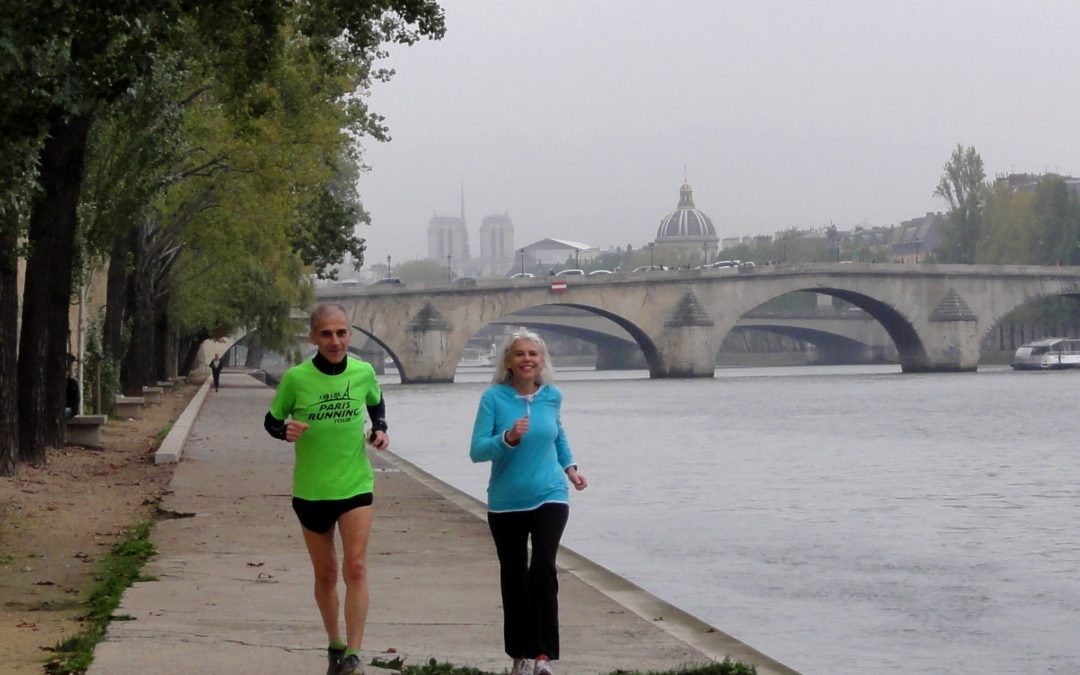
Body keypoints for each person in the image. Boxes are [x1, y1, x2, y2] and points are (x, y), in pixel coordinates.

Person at [263, 303, 389, 675]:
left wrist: (380, 429)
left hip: (355, 484)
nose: (336, 341)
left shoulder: (363, 371)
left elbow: (377, 405)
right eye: (327, 334)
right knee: (326, 574)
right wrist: (284, 431)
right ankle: (335, 644)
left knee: (356, 567)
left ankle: (354, 653)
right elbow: (271, 421)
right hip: (311, 490)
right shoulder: (296, 378)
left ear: (350, 334)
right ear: (313, 337)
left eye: (342, 332)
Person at [469, 329, 588, 675]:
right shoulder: (493, 399)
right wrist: (507, 438)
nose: (527, 360)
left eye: (533, 354)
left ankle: (544, 656)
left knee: (543, 569)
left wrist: (571, 468)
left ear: (542, 360)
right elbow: (477, 451)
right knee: (514, 576)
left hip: (550, 494)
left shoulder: (552, 396)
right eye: (520, 354)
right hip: (506, 502)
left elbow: (558, 433)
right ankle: (519, 654)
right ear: (508, 361)